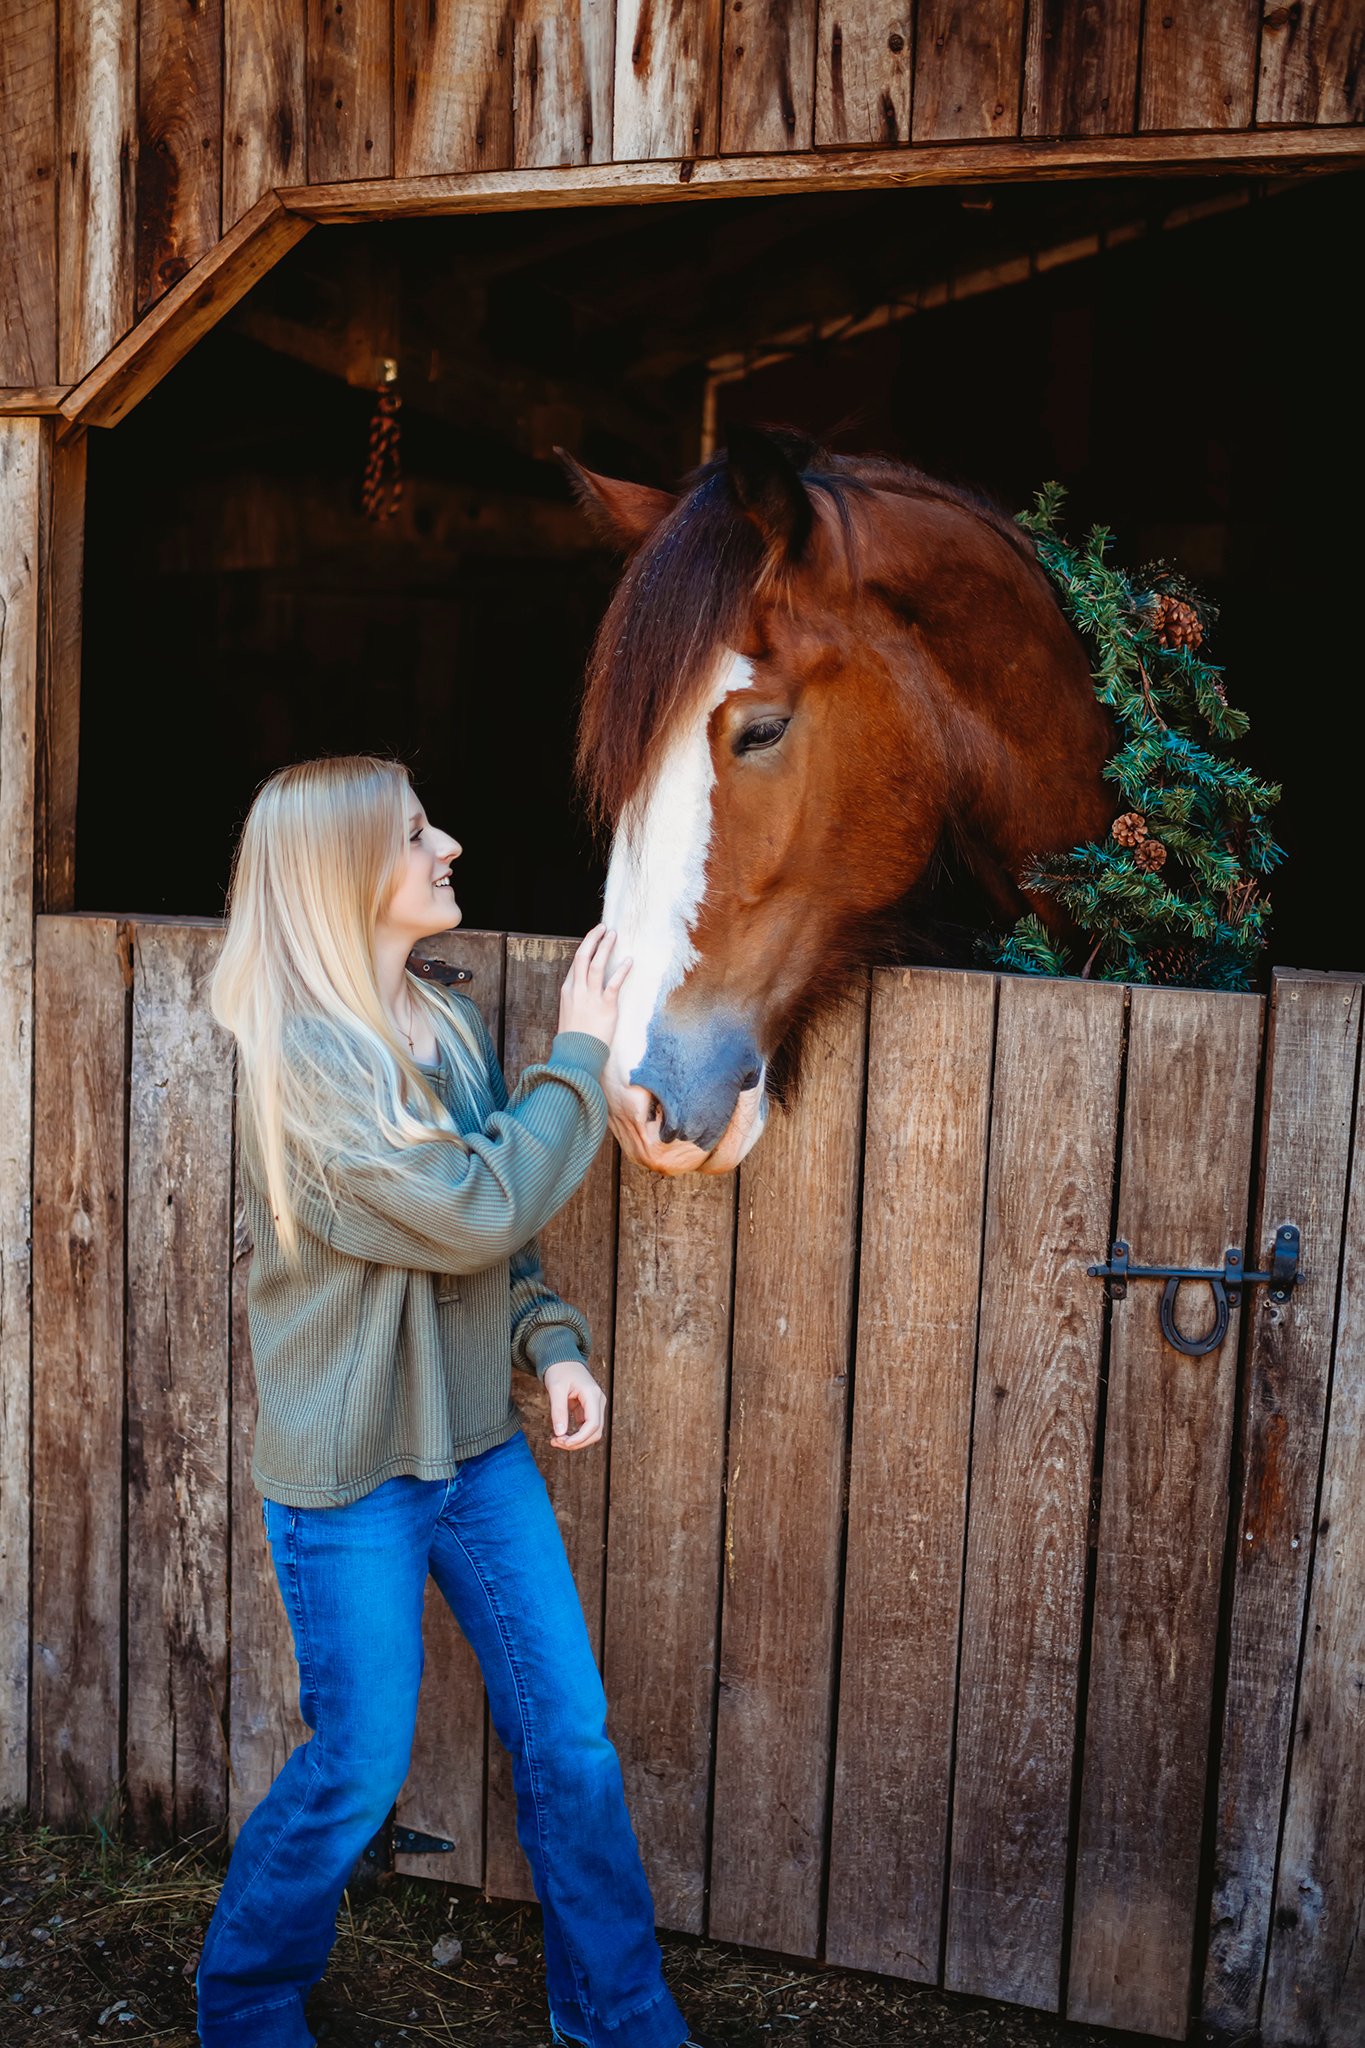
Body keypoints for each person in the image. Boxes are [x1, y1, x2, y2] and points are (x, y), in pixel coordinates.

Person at [196, 754, 704, 2048]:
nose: (449, 846)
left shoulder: (448, 1027)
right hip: (354, 1476)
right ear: (340, 876)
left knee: (570, 1737)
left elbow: (500, 1248)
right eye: (415, 833)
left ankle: (619, 2019)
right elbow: (470, 1204)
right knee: (358, 1764)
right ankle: (245, 2000)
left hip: (477, 1454)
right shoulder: (308, 1067)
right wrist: (583, 1054)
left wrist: (551, 1344)